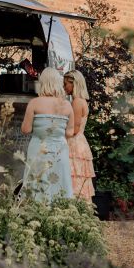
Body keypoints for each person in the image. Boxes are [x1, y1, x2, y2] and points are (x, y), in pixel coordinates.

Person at [20, 67, 74, 201]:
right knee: (60, 182)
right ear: (58, 82)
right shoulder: (67, 105)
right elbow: (70, 132)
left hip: (38, 149)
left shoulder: (34, 103)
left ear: (42, 82)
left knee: (36, 183)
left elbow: (25, 130)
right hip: (60, 151)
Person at [63, 69, 95, 202]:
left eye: (65, 84)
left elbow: (74, 129)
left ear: (74, 84)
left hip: (74, 143)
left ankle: (75, 208)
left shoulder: (76, 102)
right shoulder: (82, 101)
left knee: (73, 177)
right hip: (79, 142)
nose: (64, 87)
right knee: (77, 178)